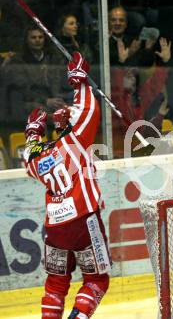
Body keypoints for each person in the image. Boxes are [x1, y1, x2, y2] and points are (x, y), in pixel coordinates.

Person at [23, 52, 111, 319]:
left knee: (55, 285)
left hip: (55, 228)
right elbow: (89, 110)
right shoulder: (75, 142)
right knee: (97, 280)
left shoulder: (38, 159)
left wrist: (33, 131)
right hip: (85, 220)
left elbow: (28, 154)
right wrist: (80, 82)